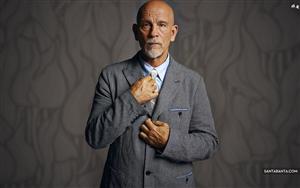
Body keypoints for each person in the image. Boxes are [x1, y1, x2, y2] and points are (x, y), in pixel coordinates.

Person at [85, 0, 219, 187]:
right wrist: (131, 99)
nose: (154, 33)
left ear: (173, 33)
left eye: (162, 25)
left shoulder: (193, 82)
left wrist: (169, 141)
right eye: (146, 25)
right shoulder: (111, 76)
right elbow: (95, 137)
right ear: (135, 32)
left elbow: (208, 143)